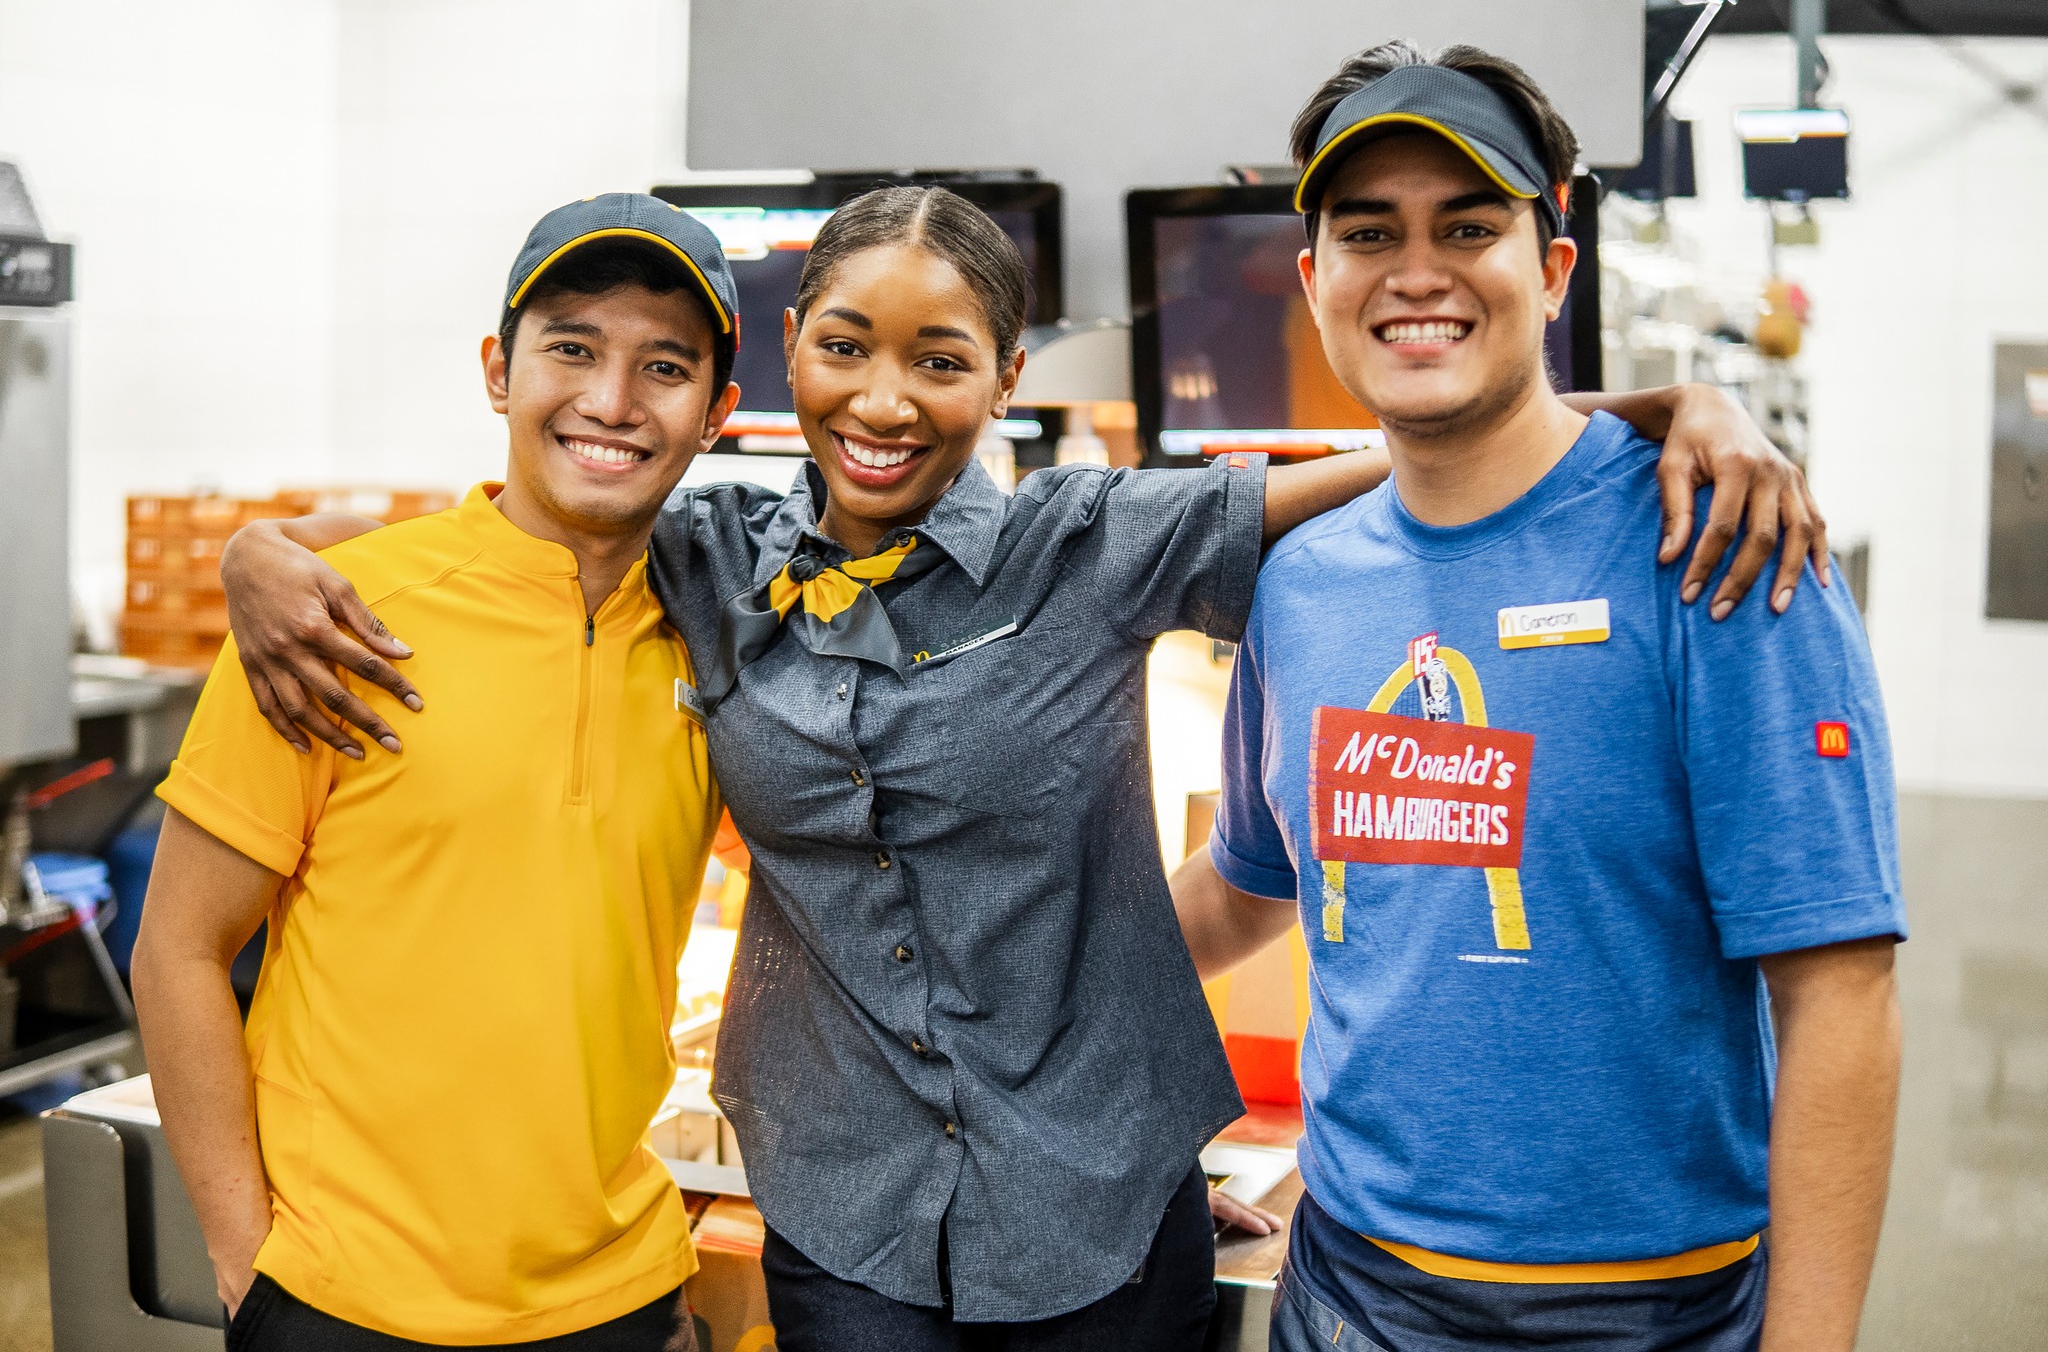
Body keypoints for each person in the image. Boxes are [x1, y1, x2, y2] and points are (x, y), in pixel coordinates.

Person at [220, 183, 1823, 1351]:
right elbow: (504, 528)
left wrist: (1674, 405)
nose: (884, 398)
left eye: (941, 358)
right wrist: (262, 549)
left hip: (1099, 1202)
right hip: (841, 1202)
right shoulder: (710, 556)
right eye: (846, 345)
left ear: (1006, 382)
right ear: (789, 359)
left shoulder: (1093, 542)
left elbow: (1410, 454)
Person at [1171, 42, 1905, 1352]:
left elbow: (1839, 993)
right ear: (1315, 281)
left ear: (1554, 268)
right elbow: (1241, 888)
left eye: (1468, 227)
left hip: (1647, 1314)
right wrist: (1004, 1010)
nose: (1416, 272)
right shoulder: (1301, 582)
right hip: (1344, 1295)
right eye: (1368, 233)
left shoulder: (1716, 546)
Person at [131, 195, 743, 1350]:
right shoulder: (332, 621)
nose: (612, 400)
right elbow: (178, 949)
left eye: (663, 367)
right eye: (571, 348)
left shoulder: (723, 640)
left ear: (715, 411)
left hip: (618, 1290)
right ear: (497, 372)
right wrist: (245, 1266)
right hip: (341, 1296)